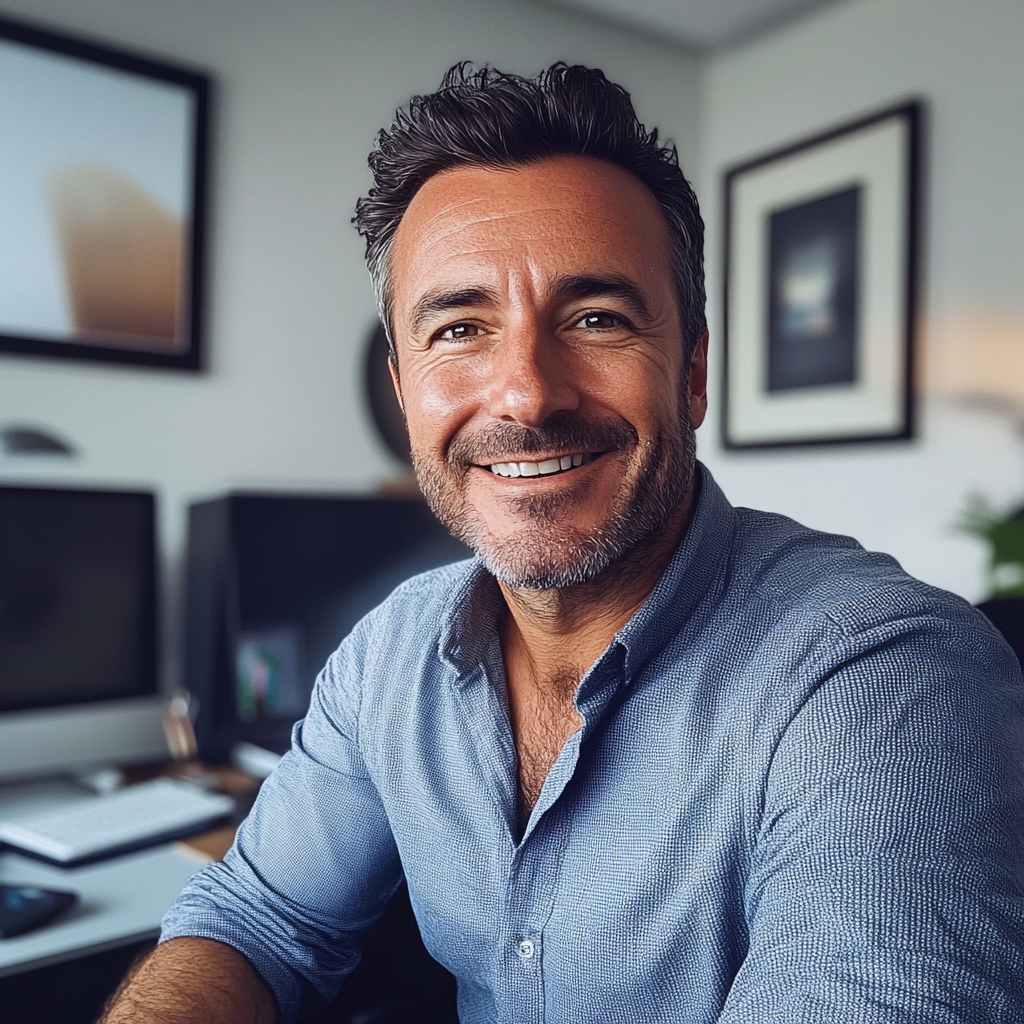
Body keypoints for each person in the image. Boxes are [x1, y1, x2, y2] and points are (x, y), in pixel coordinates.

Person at [102, 64, 1024, 1024]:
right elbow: (258, 920)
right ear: (404, 388)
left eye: (596, 319)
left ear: (694, 374)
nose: (528, 395)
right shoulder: (390, 656)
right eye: (460, 329)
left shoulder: (881, 679)